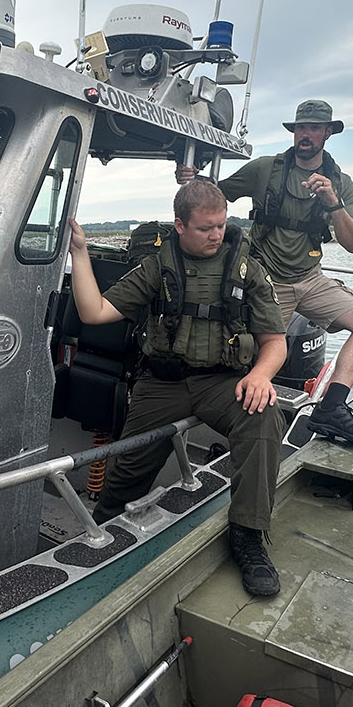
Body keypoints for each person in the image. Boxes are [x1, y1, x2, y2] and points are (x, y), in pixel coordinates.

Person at [67, 178, 289, 597]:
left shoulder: (246, 267)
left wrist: (260, 375)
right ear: (180, 225)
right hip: (163, 382)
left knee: (264, 418)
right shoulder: (157, 265)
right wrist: (80, 252)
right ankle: (107, 526)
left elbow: (275, 342)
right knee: (126, 469)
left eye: (221, 225)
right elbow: (93, 312)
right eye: (206, 227)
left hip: (224, 382)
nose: (216, 234)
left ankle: (248, 536)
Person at [189, 98, 353, 446]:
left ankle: (332, 409)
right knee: (255, 357)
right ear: (294, 132)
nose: (305, 134)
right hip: (266, 278)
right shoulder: (265, 169)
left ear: (328, 132)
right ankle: (239, 428)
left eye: (313, 127)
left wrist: (333, 203)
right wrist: (192, 180)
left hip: (310, 279)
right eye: (300, 127)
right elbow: (212, 196)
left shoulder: (340, 182)